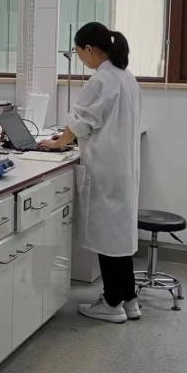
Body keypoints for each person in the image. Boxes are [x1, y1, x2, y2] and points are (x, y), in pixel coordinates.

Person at [39, 22, 141, 324]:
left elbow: (81, 122)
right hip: (122, 167)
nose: (80, 58)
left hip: (105, 169)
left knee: (109, 240)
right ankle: (129, 299)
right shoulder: (126, 77)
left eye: (78, 52)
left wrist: (59, 143)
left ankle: (112, 304)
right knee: (120, 238)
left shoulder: (101, 80)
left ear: (89, 49)